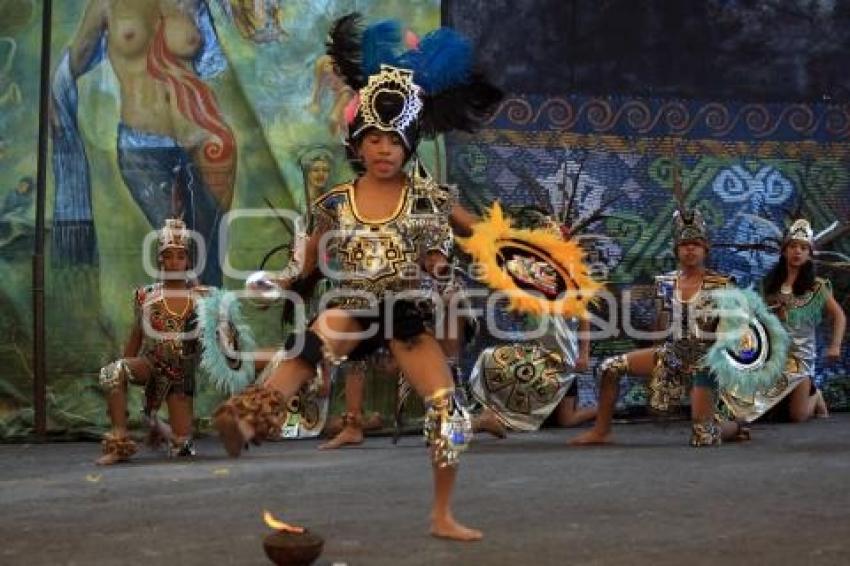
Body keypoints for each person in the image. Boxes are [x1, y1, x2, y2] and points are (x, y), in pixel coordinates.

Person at [212, 14, 501, 541]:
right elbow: (306, 263)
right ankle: (248, 419)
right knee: (313, 339)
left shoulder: (429, 198)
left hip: (407, 313)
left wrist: (510, 253)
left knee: (448, 412)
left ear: (409, 144)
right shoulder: (333, 204)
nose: (384, 149)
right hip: (355, 303)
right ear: (358, 142)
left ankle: (441, 514)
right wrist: (276, 281)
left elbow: (476, 236)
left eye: (394, 140)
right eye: (374, 139)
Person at [51, 0, 234, 284]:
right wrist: (54, 100)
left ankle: (213, 327)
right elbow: (71, 66)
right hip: (143, 147)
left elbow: (220, 60)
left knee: (210, 263)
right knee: (177, 255)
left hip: (204, 137)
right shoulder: (106, 5)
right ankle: (176, 325)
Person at [571, 207, 750, 447]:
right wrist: (659, 366)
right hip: (673, 354)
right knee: (609, 368)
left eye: (695, 244)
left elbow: (735, 333)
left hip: (708, 361)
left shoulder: (723, 284)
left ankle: (735, 425)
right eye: (685, 245)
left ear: (705, 248)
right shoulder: (665, 283)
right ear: (676, 249)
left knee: (703, 436)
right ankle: (601, 431)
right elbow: (660, 327)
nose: (690, 249)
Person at [96, 218, 206, 464]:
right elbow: (137, 335)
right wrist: (123, 369)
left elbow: (212, 347)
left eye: (180, 256)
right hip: (151, 364)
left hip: (180, 376)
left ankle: (158, 425)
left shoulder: (200, 299)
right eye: (168, 256)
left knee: (183, 448)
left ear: (188, 261)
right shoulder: (146, 296)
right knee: (112, 372)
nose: (174, 262)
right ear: (160, 260)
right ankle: (119, 443)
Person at [722, 219, 845, 423]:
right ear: (784, 251)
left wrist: (835, 345)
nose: (798, 252)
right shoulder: (771, 285)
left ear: (809, 254)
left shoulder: (817, 287)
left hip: (801, 358)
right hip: (774, 357)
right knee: (755, 409)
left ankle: (815, 395)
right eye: (793, 246)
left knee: (798, 416)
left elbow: (839, 315)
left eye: (803, 248)